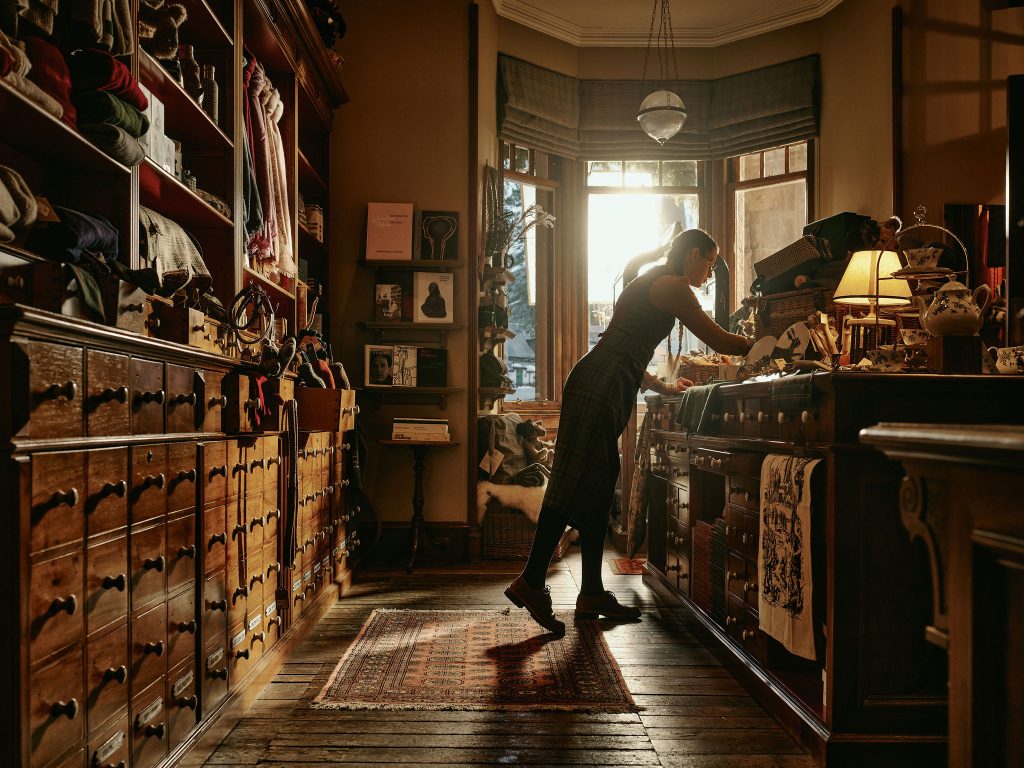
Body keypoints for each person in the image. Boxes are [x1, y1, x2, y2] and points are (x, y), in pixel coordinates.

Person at [504, 228, 753, 636]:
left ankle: (591, 594)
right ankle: (531, 581)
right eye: (710, 262)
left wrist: (664, 387)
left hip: (601, 379)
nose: (710, 273)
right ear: (693, 254)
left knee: (599, 487)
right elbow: (716, 337)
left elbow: (628, 349)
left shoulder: (650, 279)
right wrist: (763, 343)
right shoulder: (673, 286)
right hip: (602, 383)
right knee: (572, 481)